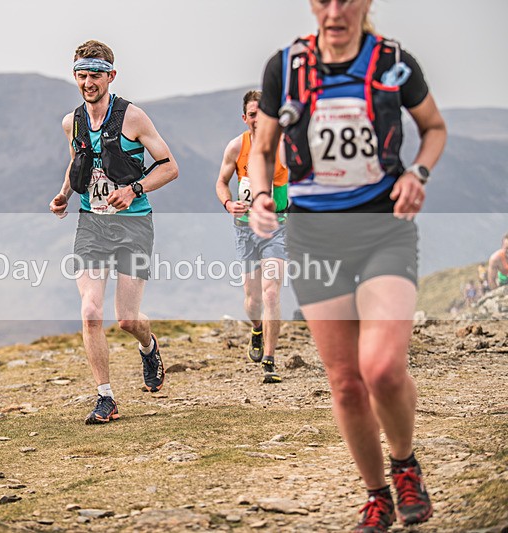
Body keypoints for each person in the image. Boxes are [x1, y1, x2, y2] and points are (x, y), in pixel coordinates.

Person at [248, 1, 446, 531]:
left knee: (381, 368)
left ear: (365, 4)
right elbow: (263, 149)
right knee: (346, 383)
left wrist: (418, 174)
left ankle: (405, 465)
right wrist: (262, 197)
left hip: (383, 230)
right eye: (323, 0)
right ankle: (377, 495)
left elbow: (433, 128)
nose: (335, 10)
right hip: (315, 237)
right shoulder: (284, 68)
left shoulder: (393, 61)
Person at [49, 40, 178, 425]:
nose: (88, 82)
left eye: (95, 75)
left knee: (126, 319)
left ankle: (148, 345)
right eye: (82, 75)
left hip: (133, 224)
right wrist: (63, 194)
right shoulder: (70, 122)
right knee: (90, 312)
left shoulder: (133, 118)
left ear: (111, 76)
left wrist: (133, 189)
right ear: (75, 76)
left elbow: (169, 167)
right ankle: (106, 398)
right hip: (92, 224)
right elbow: (77, 163)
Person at [216, 89, 288, 384]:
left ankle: (269, 359)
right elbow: (221, 182)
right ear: (245, 118)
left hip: (278, 226)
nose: (259, 119)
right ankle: (256, 329)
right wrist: (228, 202)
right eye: (254, 114)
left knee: (271, 291)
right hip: (245, 228)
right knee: (252, 298)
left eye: (265, 112)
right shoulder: (236, 147)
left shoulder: (285, 147)